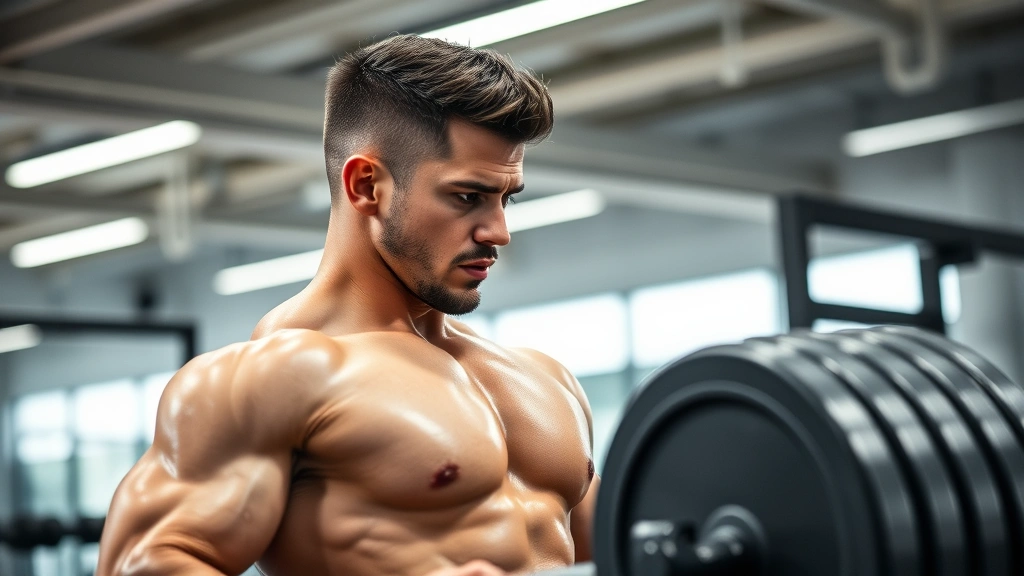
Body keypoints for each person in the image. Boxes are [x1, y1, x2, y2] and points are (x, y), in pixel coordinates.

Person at [97, 34, 598, 576]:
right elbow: (141, 565)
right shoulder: (276, 378)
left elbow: (611, 553)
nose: (498, 231)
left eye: (506, 198)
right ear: (366, 185)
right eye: (466, 197)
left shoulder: (546, 379)